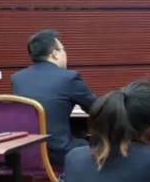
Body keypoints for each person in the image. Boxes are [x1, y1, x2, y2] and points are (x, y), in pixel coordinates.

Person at [10, 29, 97, 169]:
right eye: (63, 50)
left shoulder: (17, 79)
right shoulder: (68, 78)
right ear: (55, 54)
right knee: (95, 144)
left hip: (23, 155)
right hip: (59, 154)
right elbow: (97, 108)